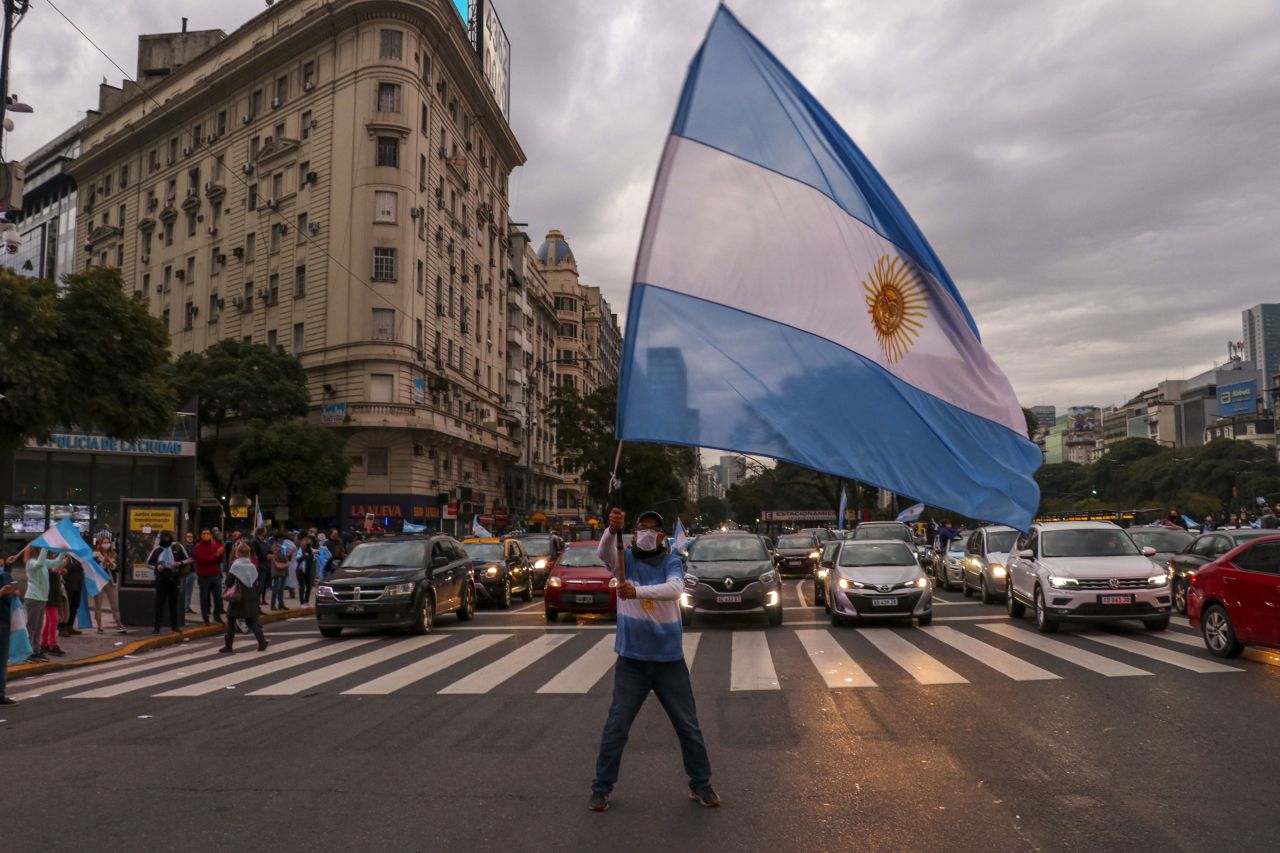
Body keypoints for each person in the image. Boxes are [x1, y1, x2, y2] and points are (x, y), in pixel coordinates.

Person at [588, 507, 716, 812]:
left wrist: (636, 590)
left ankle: (701, 784)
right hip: (631, 660)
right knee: (616, 726)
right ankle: (601, 788)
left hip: (668, 659)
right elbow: (603, 552)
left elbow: (674, 589)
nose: (647, 532)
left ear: (662, 535)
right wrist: (610, 529)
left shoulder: (672, 560)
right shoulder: (625, 560)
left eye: (653, 528)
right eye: (641, 527)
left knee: (688, 725)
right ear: (634, 533)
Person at [221, 543, 267, 653]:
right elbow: (255, 580)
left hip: (238, 596)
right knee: (251, 621)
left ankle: (229, 645)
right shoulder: (251, 566)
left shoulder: (236, 566)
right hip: (250, 595)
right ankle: (262, 641)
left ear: (237, 553)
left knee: (231, 619)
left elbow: (228, 582)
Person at [24, 547, 67, 660]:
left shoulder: (43, 562)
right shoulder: (31, 562)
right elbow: (38, 563)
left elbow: (56, 562)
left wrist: (63, 551)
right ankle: (29, 652)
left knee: (38, 627)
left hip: (42, 598)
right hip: (33, 598)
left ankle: (36, 650)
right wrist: (45, 548)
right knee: (31, 626)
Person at [147, 531, 186, 634]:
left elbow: (188, 559)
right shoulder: (157, 549)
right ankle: (157, 628)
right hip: (161, 579)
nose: (166, 540)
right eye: (164, 538)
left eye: (168, 537)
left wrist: (179, 563)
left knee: (174, 604)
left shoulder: (177, 547)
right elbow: (148, 563)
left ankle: (175, 626)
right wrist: (157, 567)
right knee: (159, 604)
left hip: (174, 578)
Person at [2, 548, 24, 705]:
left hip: (4, 620)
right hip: (2, 621)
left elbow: (13, 587)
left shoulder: (5, 574)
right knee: (2, 660)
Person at [91, 538, 127, 634]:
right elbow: (95, 568)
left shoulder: (113, 554)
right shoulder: (95, 554)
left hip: (111, 581)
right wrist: (103, 562)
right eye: (104, 542)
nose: (106, 544)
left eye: (107, 542)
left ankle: (119, 624)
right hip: (99, 582)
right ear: (100, 544)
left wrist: (110, 562)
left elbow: (116, 568)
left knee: (114, 604)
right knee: (98, 604)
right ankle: (99, 626)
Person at [193, 529, 225, 625]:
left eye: (208, 533)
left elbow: (219, 560)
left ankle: (217, 616)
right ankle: (205, 617)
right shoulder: (198, 547)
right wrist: (216, 555)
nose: (206, 535)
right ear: (201, 535)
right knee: (204, 597)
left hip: (214, 575)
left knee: (218, 597)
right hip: (203, 576)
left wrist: (220, 554)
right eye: (204, 533)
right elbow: (203, 560)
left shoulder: (214, 546)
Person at [59, 551, 85, 638]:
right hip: (68, 585)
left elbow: (79, 565)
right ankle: (62, 627)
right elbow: (61, 567)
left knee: (74, 606)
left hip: (77, 584)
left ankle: (70, 626)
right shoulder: (63, 555)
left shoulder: (78, 556)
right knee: (66, 607)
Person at [180, 530, 198, 616]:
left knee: (189, 591)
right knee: (184, 589)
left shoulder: (195, 547)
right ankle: (183, 606)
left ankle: (187, 606)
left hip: (192, 571)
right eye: (188, 536)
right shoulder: (182, 546)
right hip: (185, 571)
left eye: (191, 537)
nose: (190, 538)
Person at [268, 543, 289, 611]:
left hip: (283, 573)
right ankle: (273, 605)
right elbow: (285, 560)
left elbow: (286, 561)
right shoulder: (276, 556)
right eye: (273, 548)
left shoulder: (278, 555)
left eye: (276, 547)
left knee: (281, 590)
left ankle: (281, 604)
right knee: (275, 590)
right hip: (276, 574)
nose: (275, 549)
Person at [296, 535, 316, 604]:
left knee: (309, 587)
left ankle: (306, 601)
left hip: (307, 571)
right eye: (306, 544)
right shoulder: (300, 550)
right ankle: (302, 603)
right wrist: (304, 555)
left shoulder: (310, 550)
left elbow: (311, 561)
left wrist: (312, 555)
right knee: (302, 587)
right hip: (300, 570)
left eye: (309, 544)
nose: (307, 545)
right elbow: (298, 560)